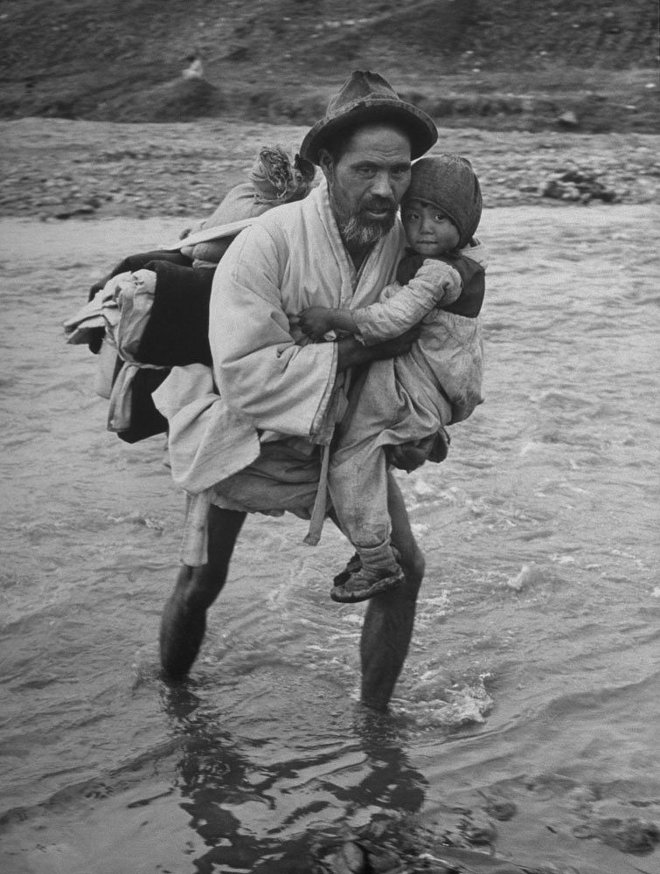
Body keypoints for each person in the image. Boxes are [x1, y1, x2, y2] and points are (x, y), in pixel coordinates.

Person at [158, 70, 442, 711]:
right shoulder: (267, 243)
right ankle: (173, 700)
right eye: (365, 170)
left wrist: (419, 421)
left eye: (399, 173)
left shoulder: (405, 242)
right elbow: (246, 374)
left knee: (404, 570)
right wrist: (362, 346)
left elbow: (430, 341)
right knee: (203, 579)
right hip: (241, 432)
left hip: (340, 435)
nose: (384, 189)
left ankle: (376, 734)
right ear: (325, 162)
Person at [295, 154, 485, 603]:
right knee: (365, 433)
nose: (423, 228)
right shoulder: (449, 256)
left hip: (422, 384)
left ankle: (377, 560)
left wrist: (330, 317)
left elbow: (391, 322)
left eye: (440, 218)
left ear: (464, 223)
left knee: (350, 456)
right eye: (415, 214)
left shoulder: (439, 272)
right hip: (431, 379)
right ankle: (421, 435)